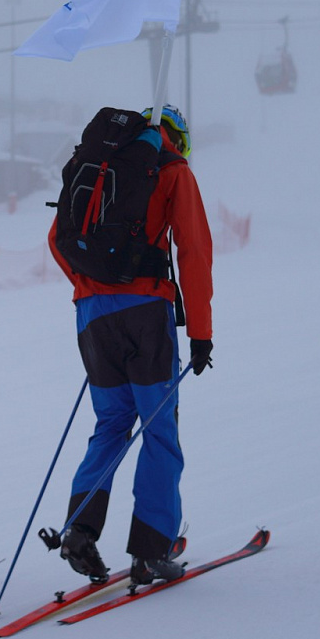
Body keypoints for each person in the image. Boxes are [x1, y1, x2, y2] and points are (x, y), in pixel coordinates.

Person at [48, 104, 214, 585]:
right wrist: (200, 332)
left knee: (111, 424)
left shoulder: (96, 166)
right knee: (159, 430)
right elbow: (194, 250)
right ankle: (150, 549)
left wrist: (91, 286)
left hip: (92, 315)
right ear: (176, 137)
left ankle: (80, 528)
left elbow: (58, 238)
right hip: (146, 315)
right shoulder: (172, 169)